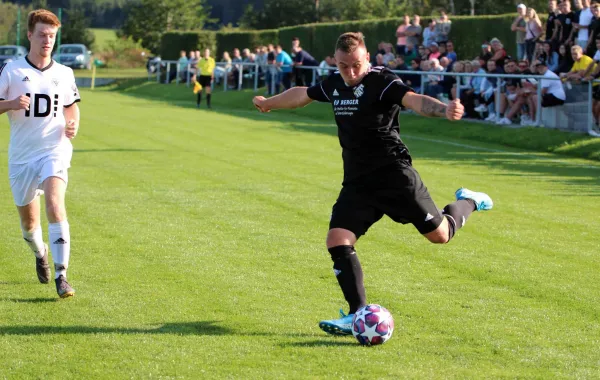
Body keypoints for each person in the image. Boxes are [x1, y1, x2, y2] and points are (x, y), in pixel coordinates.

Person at [252, 32, 493, 336]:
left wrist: (443, 109)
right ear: (335, 63)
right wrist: (269, 103)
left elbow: (414, 100)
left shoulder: (382, 81)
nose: (350, 73)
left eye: (355, 65)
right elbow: (303, 94)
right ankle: (355, 315)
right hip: (358, 182)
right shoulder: (336, 84)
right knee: (337, 240)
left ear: (367, 58)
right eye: (343, 66)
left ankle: (469, 201)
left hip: (394, 176)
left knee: (441, 236)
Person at [0, 9, 80, 298]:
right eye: (43, 35)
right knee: (29, 224)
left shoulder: (64, 73)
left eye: (52, 36)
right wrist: (10, 103)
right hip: (22, 156)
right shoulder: (11, 70)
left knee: (56, 205)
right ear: (30, 35)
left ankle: (62, 275)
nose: (48, 41)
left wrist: (73, 124)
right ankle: (41, 252)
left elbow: (71, 106)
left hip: (54, 149)